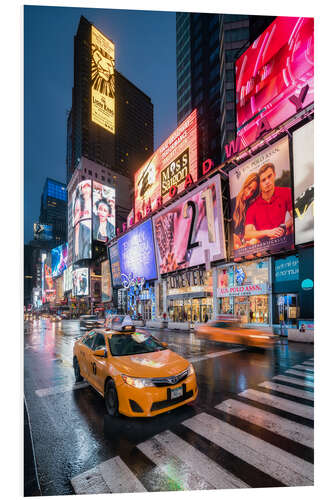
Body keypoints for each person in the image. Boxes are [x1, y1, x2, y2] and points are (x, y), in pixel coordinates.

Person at [244, 163, 293, 242]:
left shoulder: (286, 192)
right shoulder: (252, 207)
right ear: (259, 185)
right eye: (263, 180)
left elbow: (296, 215)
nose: (267, 181)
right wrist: (268, 232)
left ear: (274, 175)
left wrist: (283, 227)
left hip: (283, 235)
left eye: (269, 176)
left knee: (294, 226)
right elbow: (247, 234)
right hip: (264, 244)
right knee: (253, 241)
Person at [233, 173, 260, 249]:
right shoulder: (232, 202)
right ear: (245, 185)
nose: (249, 194)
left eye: (252, 191)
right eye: (249, 188)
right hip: (234, 247)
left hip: (244, 246)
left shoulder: (250, 207)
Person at [73, 192, 91, 261]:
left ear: (81, 213)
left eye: (77, 210)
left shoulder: (87, 232)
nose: (75, 215)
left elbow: (86, 255)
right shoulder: (72, 234)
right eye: (74, 211)